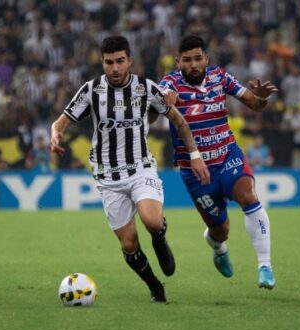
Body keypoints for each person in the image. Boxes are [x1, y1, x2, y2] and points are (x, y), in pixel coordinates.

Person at [50, 36, 210, 303]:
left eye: (120, 61)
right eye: (109, 62)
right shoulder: (91, 90)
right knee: (129, 244)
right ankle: (155, 287)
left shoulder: (146, 88)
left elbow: (179, 121)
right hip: (108, 178)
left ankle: (160, 239)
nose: (115, 68)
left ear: (130, 61)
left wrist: (194, 155)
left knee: (152, 221)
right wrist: (55, 136)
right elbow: (60, 122)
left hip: (140, 169)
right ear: (102, 62)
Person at [158, 35, 278, 289]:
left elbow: (254, 105)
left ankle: (265, 265)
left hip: (227, 155)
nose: (193, 65)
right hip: (196, 171)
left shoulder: (220, 77)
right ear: (178, 62)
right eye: (187, 60)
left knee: (248, 196)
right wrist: (164, 99)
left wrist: (262, 98)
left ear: (206, 59)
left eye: (198, 59)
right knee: (220, 229)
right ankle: (217, 246)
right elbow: (160, 98)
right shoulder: (169, 82)